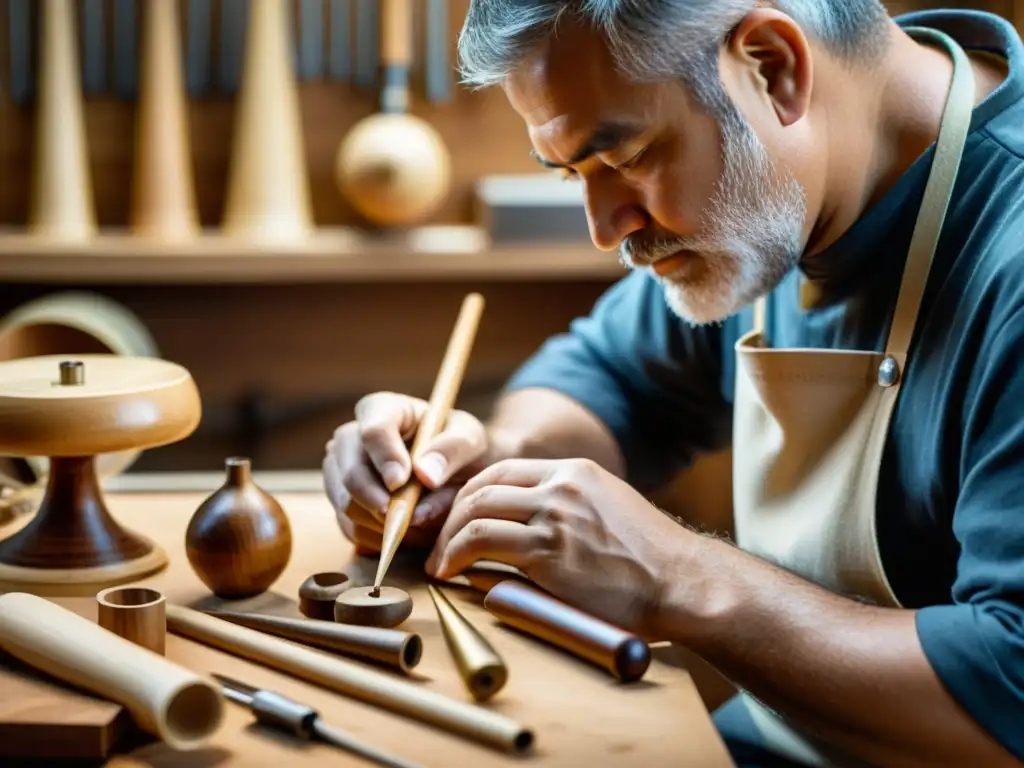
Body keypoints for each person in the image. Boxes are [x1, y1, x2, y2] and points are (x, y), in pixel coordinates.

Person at [322, 2, 1024, 766]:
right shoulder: (782, 191)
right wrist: (483, 463)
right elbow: (606, 378)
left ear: (771, 67)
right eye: (570, 173)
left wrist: (680, 577)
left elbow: (1010, 690)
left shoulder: (1005, 254)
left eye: (623, 158)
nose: (605, 226)